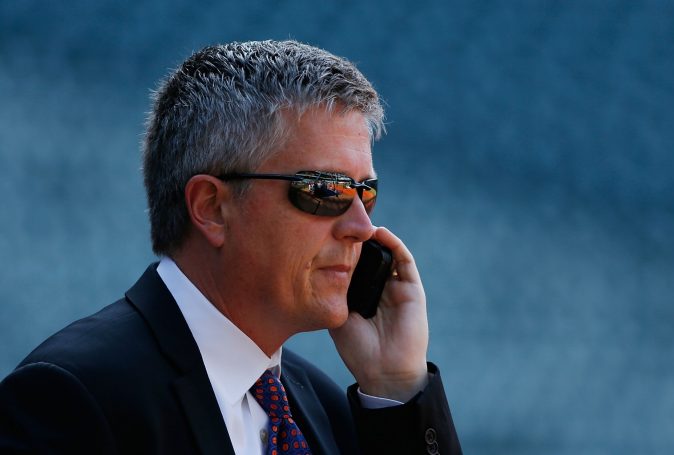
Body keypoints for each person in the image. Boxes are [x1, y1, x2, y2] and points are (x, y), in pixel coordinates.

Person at [0, 40, 461, 454]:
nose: (361, 226)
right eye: (325, 190)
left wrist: (397, 386)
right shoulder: (74, 398)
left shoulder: (327, 407)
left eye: (366, 192)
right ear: (212, 207)